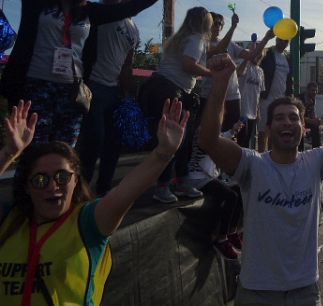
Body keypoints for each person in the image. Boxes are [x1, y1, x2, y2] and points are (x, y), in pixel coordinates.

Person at [198, 53, 323, 306]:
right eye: (279, 118)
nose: (287, 122)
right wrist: (221, 85)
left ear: (303, 127)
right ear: (269, 128)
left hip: (304, 291)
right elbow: (209, 141)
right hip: (256, 291)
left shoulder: (315, 162)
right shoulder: (251, 165)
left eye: (294, 117)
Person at [1, 0, 170, 147]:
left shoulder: (89, 12)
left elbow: (133, 6)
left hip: (71, 92)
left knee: (64, 155)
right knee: (32, 155)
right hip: (34, 88)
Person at [0, 98, 188, 306]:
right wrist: (8, 154)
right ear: (26, 186)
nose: (52, 187)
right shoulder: (10, 221)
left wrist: (163, 154)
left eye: (62, 177)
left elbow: (125, 192)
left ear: (76, 180)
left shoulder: (87, 222)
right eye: (40, 180)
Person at [79, 0, 166, 196]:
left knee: (113, 145)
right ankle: (78, 193)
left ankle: (104, 190)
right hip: (93, 86)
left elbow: (127, 64)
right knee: (92, 143)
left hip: (114, 91)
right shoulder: (108, 9)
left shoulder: (134, 30)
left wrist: (128, 93)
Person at [138, 7, 212, 203]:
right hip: (173, 90)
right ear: (205, 22)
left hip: (162, 87)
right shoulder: (196, 39)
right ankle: (164, 186)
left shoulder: (179, 38)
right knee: (175, 141)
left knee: (178, 140)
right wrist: (211, 73)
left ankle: (179, 181)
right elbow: (189, 65)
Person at [188, 122, 244, 260]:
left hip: (209, 176)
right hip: (197, 178)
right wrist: (229, 141)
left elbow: (221, 137)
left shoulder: (212, 129)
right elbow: (214, 143)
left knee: (240, 189)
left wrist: (231, 132)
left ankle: (232, 231)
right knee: (230, 196)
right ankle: (221, 239)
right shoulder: (203, 130)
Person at [257, 37, 293, 152]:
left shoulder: (287, 57)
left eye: (286, 41)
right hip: (266, 98)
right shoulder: (268, 53)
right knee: (263, 131)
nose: (283, 42)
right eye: (281, 40)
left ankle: (273, 156)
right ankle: (262, 156)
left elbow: (289, 80)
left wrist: (289, 98)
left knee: (276, 130)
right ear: (277, 40)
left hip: (281, 100)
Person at [236, 45, 266, 149]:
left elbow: (258, 93)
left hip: (253, 112)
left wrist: (258, 112)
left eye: (260, 55)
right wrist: (247, 57)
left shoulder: (261, 71)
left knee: (247, 142)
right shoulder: (244, 65)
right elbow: (238, 73)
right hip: (241, 110)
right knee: (239, 140)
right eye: (256, 53)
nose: (258, 56)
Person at [299, 81, 322, 150]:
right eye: (312, 90)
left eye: (316, 90)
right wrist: (311, 120)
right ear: (307, 90)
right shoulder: (300, 99)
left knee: (315, 127)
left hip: (306, 120)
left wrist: (316, 120)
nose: (314, 92)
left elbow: (312, 113)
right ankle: (300, 151)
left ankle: (316, 150)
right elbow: (298, 116)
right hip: (297, 120)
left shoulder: (313, 99)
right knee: (300, 128)